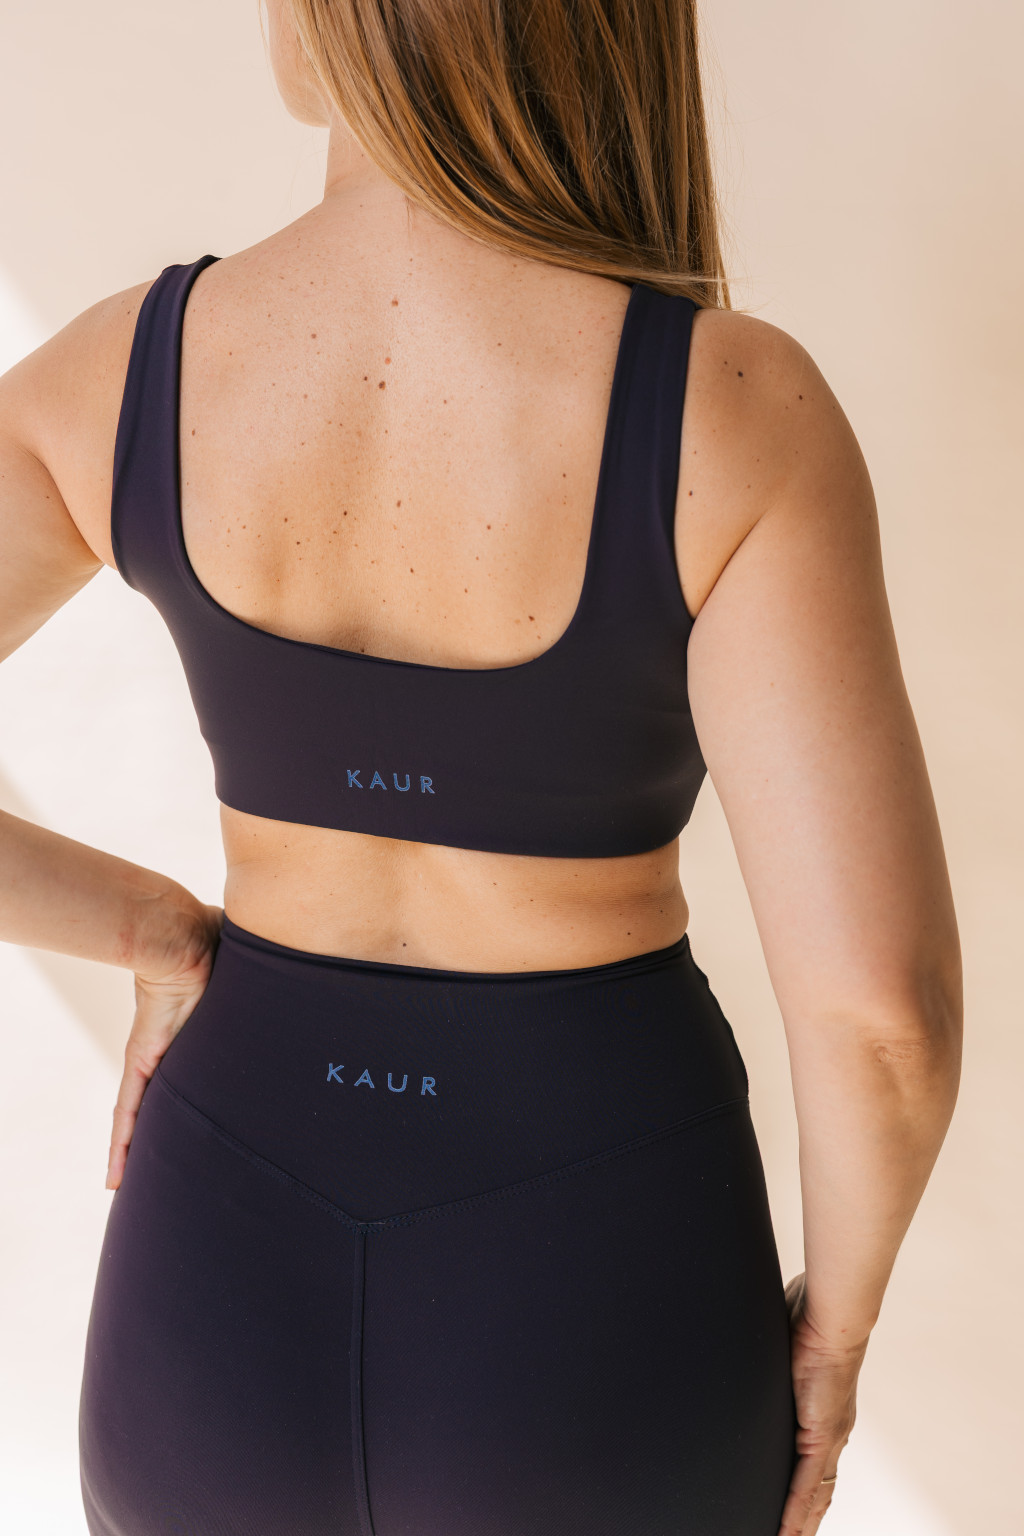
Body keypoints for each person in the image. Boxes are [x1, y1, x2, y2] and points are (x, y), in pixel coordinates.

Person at [0, 1, 962, 1532]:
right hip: (598, 1285)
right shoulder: (729, 409)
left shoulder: (121, 373)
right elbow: (878, 1019)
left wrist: (151, 930)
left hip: (211, 1290)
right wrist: (830, 1347)